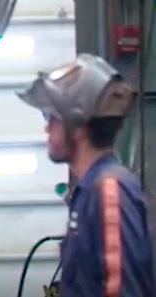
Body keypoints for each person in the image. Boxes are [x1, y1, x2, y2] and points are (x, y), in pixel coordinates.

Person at [16, 53, 155, 295]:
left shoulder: (110, 191)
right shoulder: (90, 190)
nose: (46, 128)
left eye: (51, 118)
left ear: (77, 126)